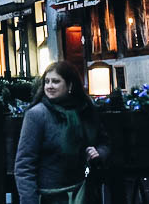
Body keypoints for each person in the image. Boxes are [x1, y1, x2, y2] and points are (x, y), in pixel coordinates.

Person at [14, 61, 109, 204]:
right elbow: (24, 165)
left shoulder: (84, 110)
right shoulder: (37, 115)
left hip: (82, 193)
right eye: (46, 81)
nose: (50, 86)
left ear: (70, 85)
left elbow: (104, 142)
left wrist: (99, 153)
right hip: (49, 197)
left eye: (56, 81)